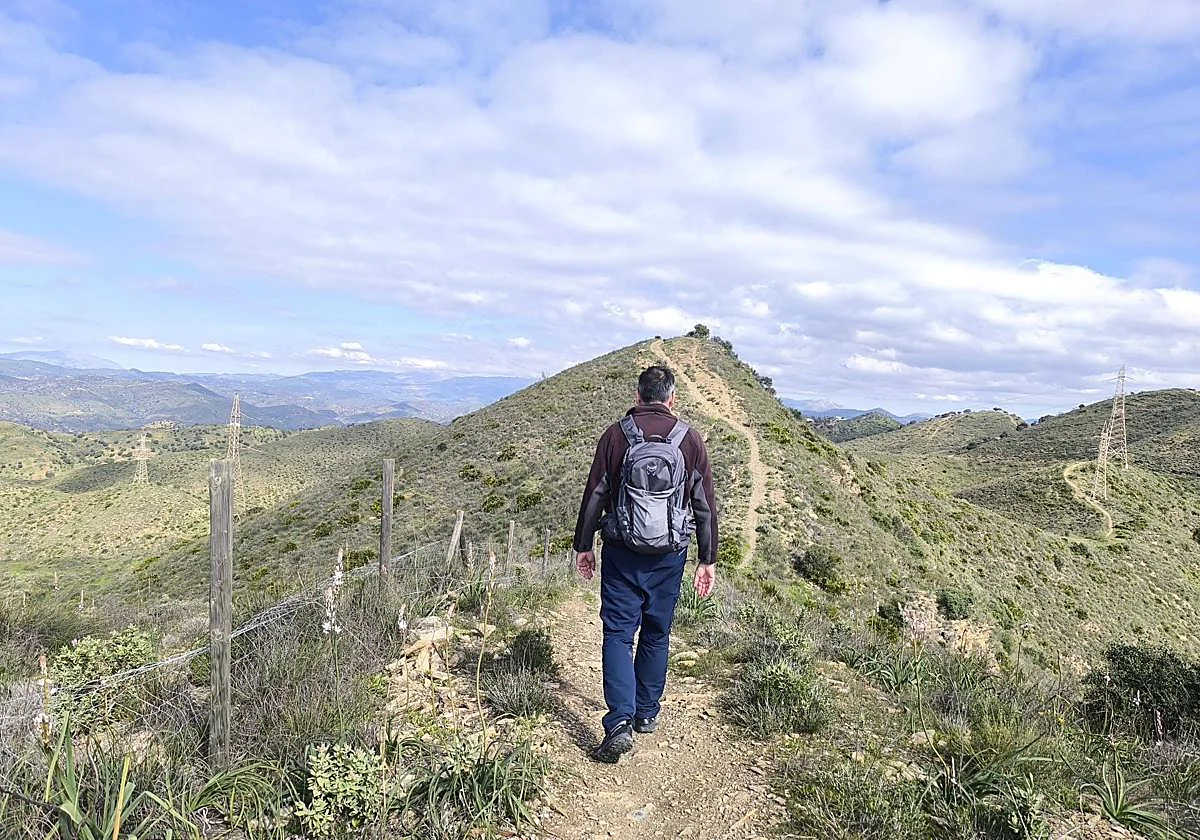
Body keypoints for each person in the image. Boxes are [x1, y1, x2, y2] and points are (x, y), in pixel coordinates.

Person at [573, 364, 718, 763]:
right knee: (657, 632)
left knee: (618, 634)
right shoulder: (690, 441)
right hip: (670, 556)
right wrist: (708, 559)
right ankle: (647, 713)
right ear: (672, 399)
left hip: (622, 552)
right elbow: (704, 505)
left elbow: (596, 494)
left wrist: (584, 545)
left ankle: (619, 720)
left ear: (637, 396)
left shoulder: (616, 435)